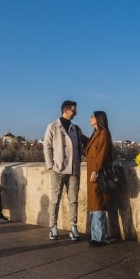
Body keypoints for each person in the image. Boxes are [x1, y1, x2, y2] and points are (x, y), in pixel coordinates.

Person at [43, 100, 87, 241]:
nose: (76, 112)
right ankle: (52, 226)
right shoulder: (53, 126)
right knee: (55, 199)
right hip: (59, 168)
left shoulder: (76, 128)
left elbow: (86, 143)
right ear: (66, 110)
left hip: (74, 168)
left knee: (73, 200)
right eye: (74, 110)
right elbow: (47, 146)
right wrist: (50, 165)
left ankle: (73, 227)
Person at [85, 111, 114, 247]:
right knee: (94, 205)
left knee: (98, 204)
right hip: (93, 173)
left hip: (98, 174)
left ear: (99, 119)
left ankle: (100, 237)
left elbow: (101, 154)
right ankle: (95, 235)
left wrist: (95, 171)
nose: (90, 118)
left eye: (93, 116)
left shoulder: (103, 134)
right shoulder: (96, 134)